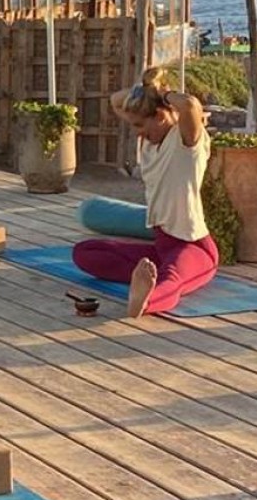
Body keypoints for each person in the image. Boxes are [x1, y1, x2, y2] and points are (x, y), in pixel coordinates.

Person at [72, 67, 219, 317]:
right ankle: (146, 278)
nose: (137, 132)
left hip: (194, 247)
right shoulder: (150, 144)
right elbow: (115, 101)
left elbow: (191, 105)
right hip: (162, 247)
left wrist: (163, 95)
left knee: (172, 279)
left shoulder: (186, 143)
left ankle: (145, 300)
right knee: (84, 252)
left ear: (161, 116)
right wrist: (145, 92)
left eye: (140, 124)